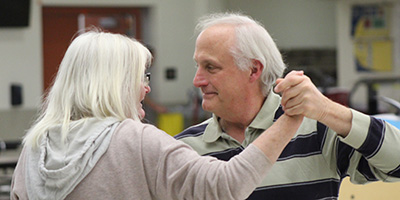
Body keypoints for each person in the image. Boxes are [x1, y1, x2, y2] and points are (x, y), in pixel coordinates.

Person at [10, 30, 304, 200]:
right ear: (116, 82)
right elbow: (225, 186)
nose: (146, 89)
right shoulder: (134, 140)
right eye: (142, 76)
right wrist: (290, 118)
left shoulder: (36, 147)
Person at [174, 12, 400, 199]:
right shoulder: (184, 149)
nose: (197, 80)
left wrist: (326, 109)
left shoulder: (318, 130)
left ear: (254, 70)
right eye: (198, 66)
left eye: (210, 67)